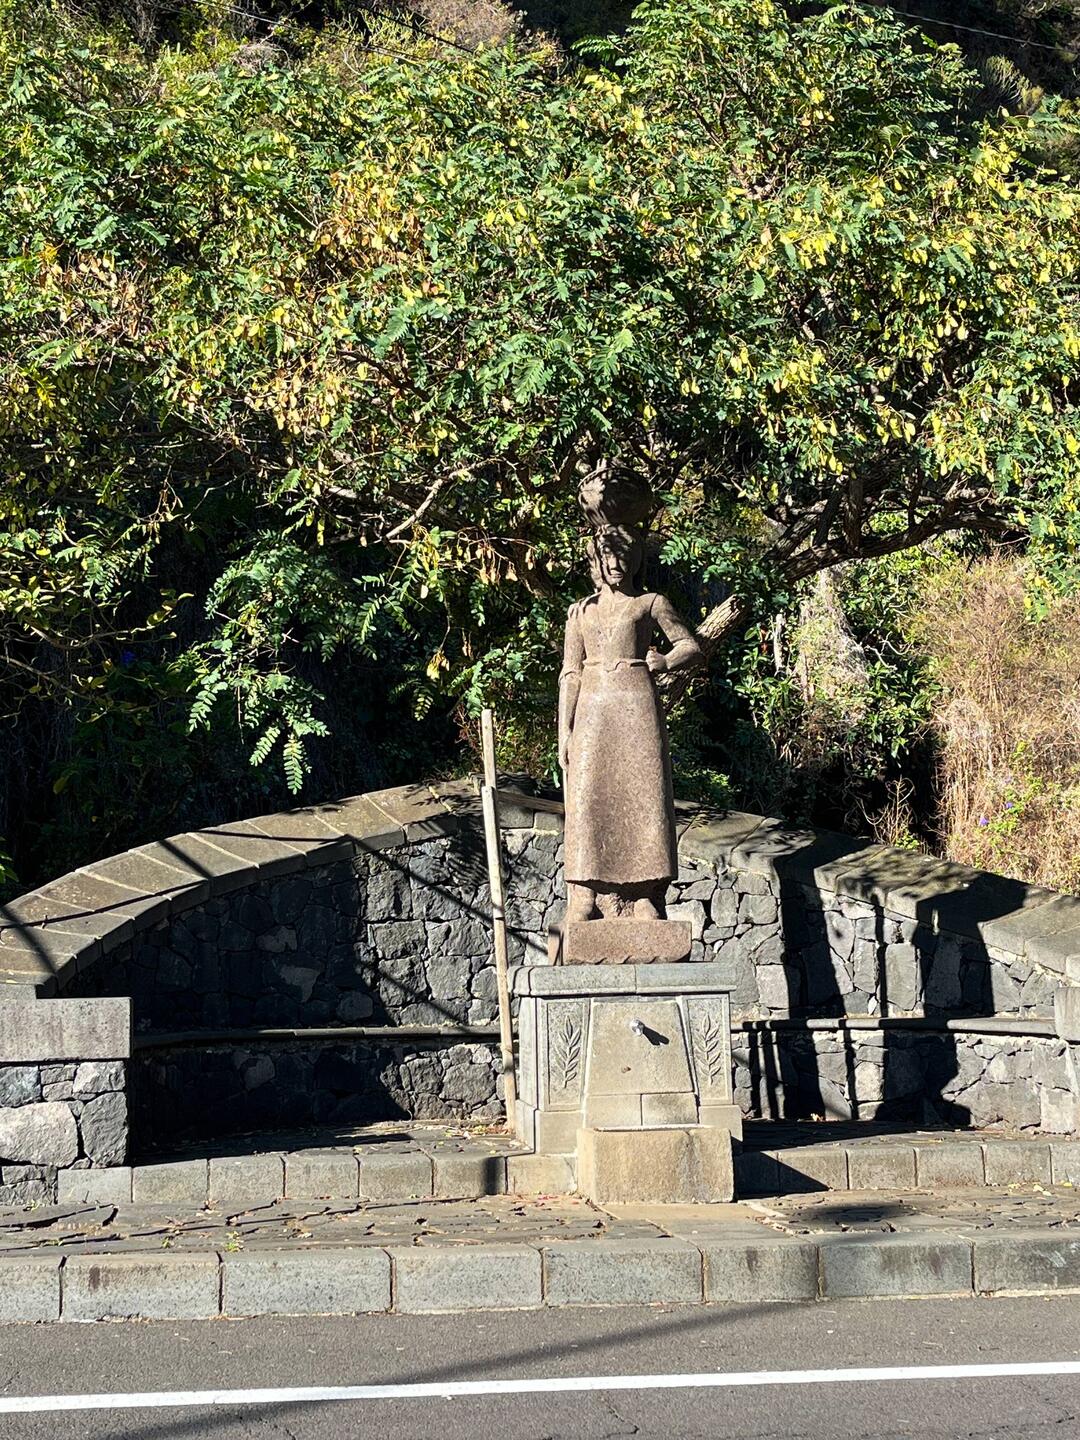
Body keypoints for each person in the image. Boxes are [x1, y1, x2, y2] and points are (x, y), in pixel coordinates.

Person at [558, 525, 703, 922]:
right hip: (591, 708)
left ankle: (646, 894)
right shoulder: (580, 611)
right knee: (587, 797)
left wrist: (666, 661)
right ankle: (584, 891)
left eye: (624, 557)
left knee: (645, 795)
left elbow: (689, 645)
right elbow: (570, 673)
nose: (616, 565)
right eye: (608, 557)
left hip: (637, 705)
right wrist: (564, 732)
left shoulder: (650, 603)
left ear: (635, 560)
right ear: (596, 562)